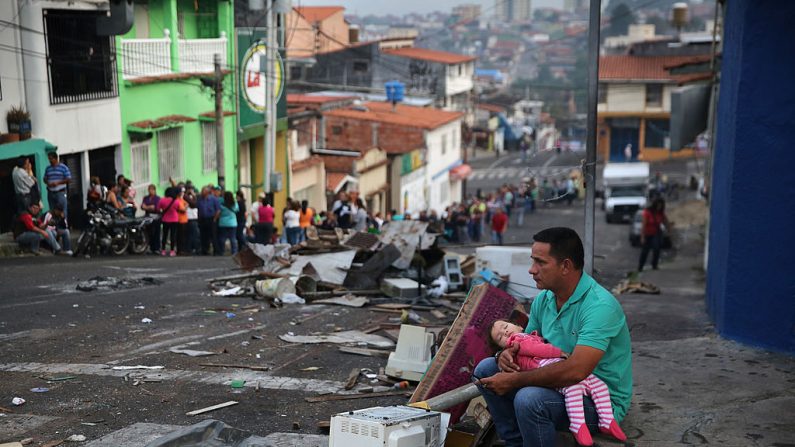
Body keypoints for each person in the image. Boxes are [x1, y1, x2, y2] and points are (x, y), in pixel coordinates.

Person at [474, 227, 632, 447]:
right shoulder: (544, 299)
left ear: (565, 266)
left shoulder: (600, 307)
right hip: (556, 384)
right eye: (533, 261)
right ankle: (515, 443)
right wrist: (505, 353)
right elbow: (526, 345)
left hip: (595, 400)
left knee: (529, 399)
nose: (531, 270)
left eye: (540, 262)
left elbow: (576, 371)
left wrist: (515, 380)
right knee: (485, 369)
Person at [488, 321, 627, 446]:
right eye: (501, 337)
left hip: (569, 372)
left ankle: (607, 420)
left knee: (599, 385)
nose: (505, 332)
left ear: (519, 325)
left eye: (505, 327)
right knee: (572, 389)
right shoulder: (518, 339)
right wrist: (559, 352)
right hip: (548, 367)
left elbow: (576, 372)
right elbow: (536, 349)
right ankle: (578, 424)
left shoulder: (527, 335)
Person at [638, 197, 670, 272]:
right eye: (658, 205)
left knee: (656, 248)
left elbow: (666, 221)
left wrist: (669, 229)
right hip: (647, 233)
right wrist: (642, 237)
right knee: (645, 251)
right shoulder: (647, 212)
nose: (659, 207)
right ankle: (640, 266)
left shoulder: (661, 213)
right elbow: (644, 225)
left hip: (656, 233)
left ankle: (654, 265)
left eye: (661, 206)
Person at [43, 152, 71, 219]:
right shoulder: (48, 168)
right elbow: (44, 178)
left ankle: (63, 225)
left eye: (51, 159)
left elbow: (69, 179)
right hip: (50, 192)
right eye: (49, 159)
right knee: (52, 211)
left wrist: (58, 183)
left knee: (62, 210)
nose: (50, 161)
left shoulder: (63, 167)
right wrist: (47, 182)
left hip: (60, 192)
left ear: (56, 158)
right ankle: (54, 226)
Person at [197, 186, 221, 255]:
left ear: (207, 192)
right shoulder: (200, 199)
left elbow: (218, 210)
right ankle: (204, 250)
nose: (202, 192)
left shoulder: (214, 199)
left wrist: (215, 219)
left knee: (213, 235)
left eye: (203, 191)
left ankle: (216, 251)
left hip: (211, 219)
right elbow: (198, 209)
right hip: (202, 219)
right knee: (203, 235)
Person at [158, 187, 180, 257]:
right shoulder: (176, 201)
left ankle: (163, 250)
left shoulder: (162, 200)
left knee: (164, 235)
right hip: (174, 219)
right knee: (173, 235)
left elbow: (158, 208)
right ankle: (172, 251)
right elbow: (178, 208)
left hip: (165, 219)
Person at [216, 191, 239, 255]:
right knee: (233, 238)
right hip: (233, 223)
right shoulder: (234, 203)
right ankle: (234, 251)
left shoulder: (221, 204)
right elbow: (237, 210)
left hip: (223, 223)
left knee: (222, 238)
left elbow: (218, 212)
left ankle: (222, 251)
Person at [141, 185, 161, 254]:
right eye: (149, 189)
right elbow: (142, 206)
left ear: (155, 190)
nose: (150, 191)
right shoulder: (146, 198)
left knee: (156, 232)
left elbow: (154, 207)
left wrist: (146, 207)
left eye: (152, 189)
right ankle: (150, 247)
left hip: (156, 217)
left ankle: (156, 248)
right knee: (148, 232)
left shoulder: (157, 198)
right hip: (147, 217)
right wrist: (148, 207)